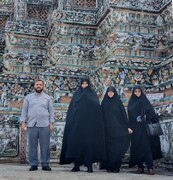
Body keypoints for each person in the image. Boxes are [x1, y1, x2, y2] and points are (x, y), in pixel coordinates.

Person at [60, 78, 105, 173]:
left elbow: (96, 107)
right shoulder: (77, 94)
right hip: (76, 125)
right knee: (76, 146)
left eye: (86, 84)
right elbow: (72, 109)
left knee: (88, 146)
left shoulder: (92, 94)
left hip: (88, 126)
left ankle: (89, 166)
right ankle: (76, 166)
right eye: (83, 84)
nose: (84, 85)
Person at [20, 79, 54, 171]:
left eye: (40, 84)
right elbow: (24, 111)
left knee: (45, 145)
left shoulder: (48, 98)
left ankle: (45, 164)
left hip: (44, 124)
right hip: (32, 124)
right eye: (37, 84)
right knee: (32, 145)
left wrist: (51, 123)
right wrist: (23, 122)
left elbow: (51, 111)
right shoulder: (28, 97)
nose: (38, 86)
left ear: (43, 86)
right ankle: (33, 164)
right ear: (34, 86)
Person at [127, 86, 162, 175]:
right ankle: (140, 167)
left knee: (146, 148)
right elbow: (130, 116)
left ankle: (150, 167)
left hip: (145, 128)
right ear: (133, 93)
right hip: (135, 129)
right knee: (137, 147)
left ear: (141, 92)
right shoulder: (131, 102)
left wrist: (145, 116)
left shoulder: (144, 101)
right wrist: (131, 125)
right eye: (135, 91)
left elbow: (152, 113)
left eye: (139, 91)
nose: (137, 93)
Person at [100, 86, 132, 173]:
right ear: (107, 93)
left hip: (118, 130)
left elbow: (124, 116)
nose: (110, 94)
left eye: (112, 92)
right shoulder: (104, 104)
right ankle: (109, 167)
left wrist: (127, 127)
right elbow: (100, 117)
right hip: (107, 131)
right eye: (109, 92)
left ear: (115, 93)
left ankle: (116, 167)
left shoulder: (118, 103)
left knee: (117, 149)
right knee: (108, 149)